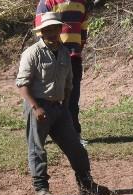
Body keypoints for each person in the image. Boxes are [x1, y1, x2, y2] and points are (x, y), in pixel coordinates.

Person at [16, 12, 110, 195]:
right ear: (41, 32)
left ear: (60, 29)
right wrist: (36, 108)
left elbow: (68, 85)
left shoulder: (65, 53)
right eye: (46, 30)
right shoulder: (32, 53)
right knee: (37, 149)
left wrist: (65, 108)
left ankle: (86, 184)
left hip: (59, 108)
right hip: (38, 107)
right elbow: (22, 85)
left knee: (76, 147)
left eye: (53, 29)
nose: (50, 33)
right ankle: (41, 188)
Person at [34, 0, 91, 141]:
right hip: (53, 58)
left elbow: (83, 32)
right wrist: (54, 53)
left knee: (72, 97)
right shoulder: (47, 2)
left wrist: (75, 51)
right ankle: (42, 134)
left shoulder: (81, 3)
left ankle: (74, 135)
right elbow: (41, 31)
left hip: (73, 58)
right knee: (47, 96)